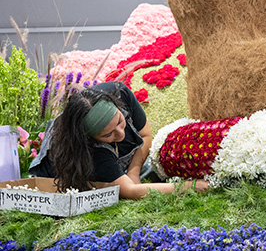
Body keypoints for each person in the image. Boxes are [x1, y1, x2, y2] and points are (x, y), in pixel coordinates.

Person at [29, 82, 208, 199]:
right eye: (108, 135)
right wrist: (190, 186)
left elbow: (145, 136)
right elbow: (131, 191)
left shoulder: (120, 93)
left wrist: (134, 172)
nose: (120, 134)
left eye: (120, 121)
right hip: (64, 167)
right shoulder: (91, 153)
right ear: (92, 137)